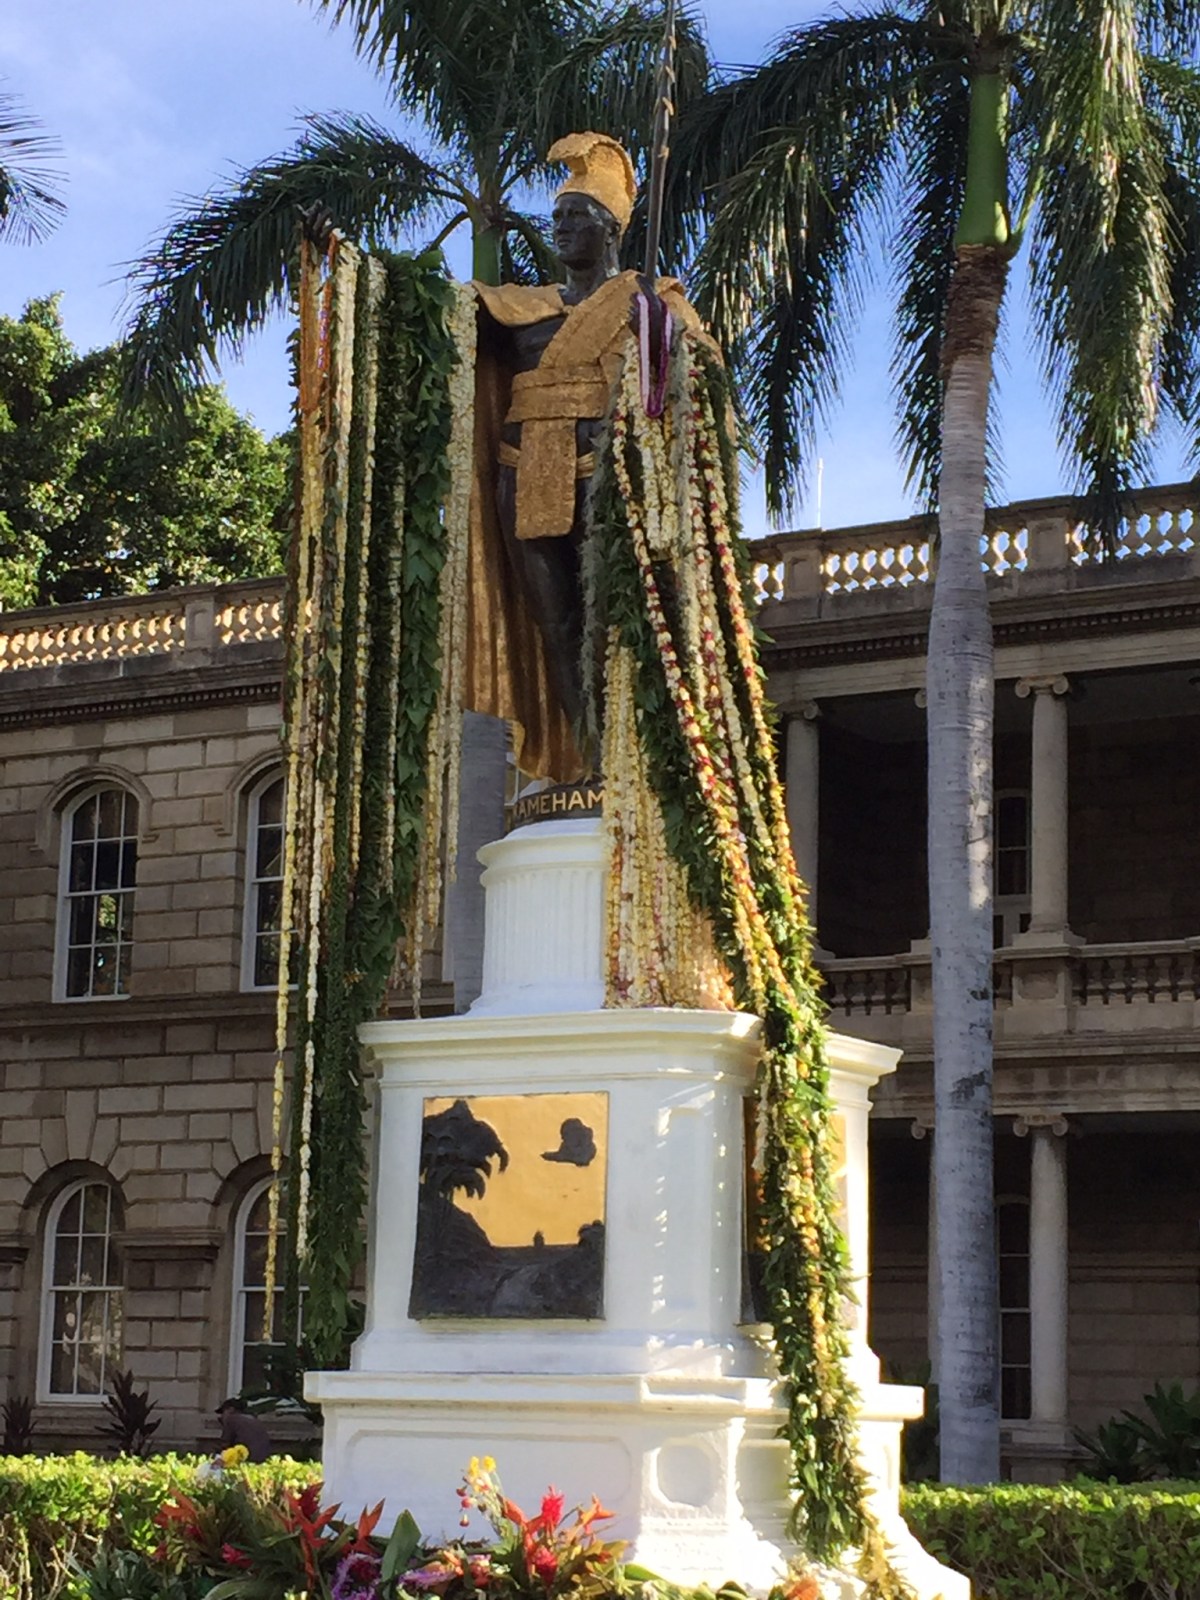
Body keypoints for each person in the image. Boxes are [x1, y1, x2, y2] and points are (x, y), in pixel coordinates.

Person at [464, 132, 707, 783]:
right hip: (527, 469)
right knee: (557, 624)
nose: (562, 229)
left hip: (608, 476)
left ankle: (634, 756)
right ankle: (588, 761)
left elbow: (698, 367)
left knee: (613, 624)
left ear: (609, 229)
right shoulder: (517, 307)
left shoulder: (651, 301)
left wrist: (658, 327)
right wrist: (344, 263)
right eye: (558, 218)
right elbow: (426, 322)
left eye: (576, 217)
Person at [215, 1396, 273, 1462]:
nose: (222, 1416)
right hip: (263, 1460)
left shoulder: (232, 1419)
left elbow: (225, 1445)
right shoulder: (254, 1419)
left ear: (231, 1409)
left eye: (223, 1412)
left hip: (246, 1460)